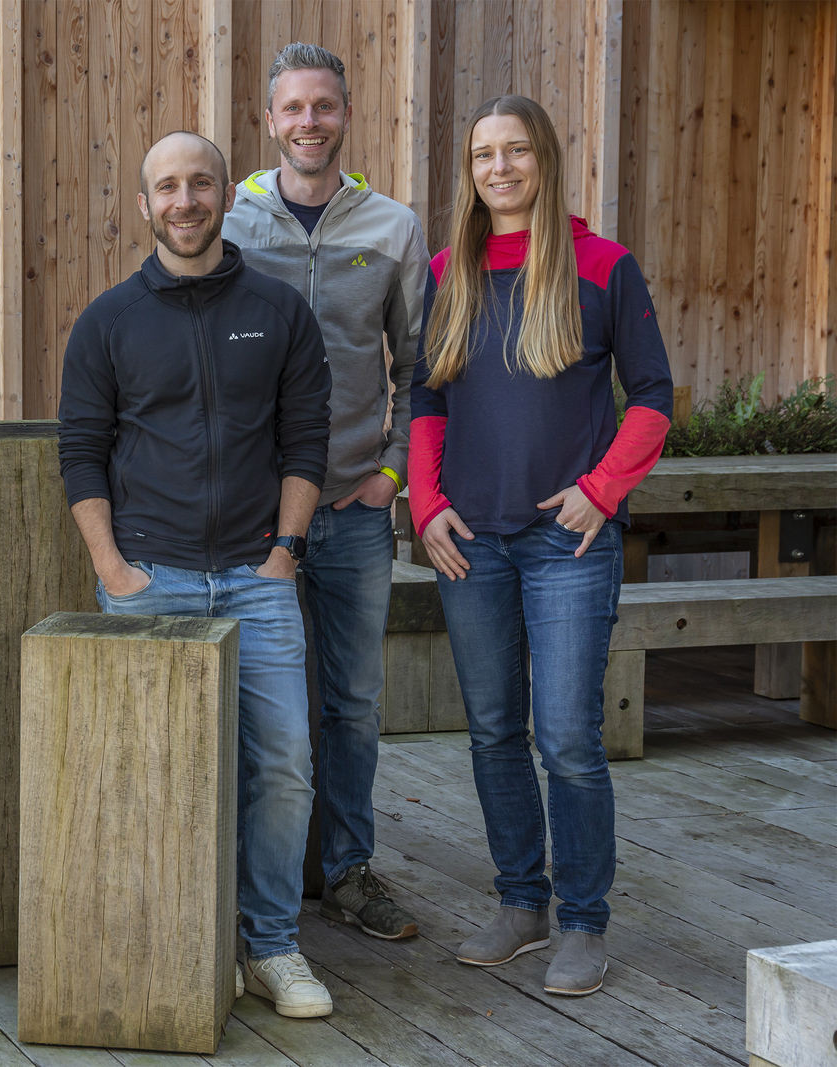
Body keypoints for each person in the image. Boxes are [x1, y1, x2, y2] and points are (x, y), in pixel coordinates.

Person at [59, 131, 335, 1019]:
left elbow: (306, 440)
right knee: (146, 773)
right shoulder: (107, 321)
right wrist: (113, 567)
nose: (184, 200)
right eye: (166, 187)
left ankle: (269, 945)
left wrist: (283, 553)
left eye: (201, 183)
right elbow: (82, 453)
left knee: (284, 763)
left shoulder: (278, 309)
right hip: (153, 580)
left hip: (259, 580)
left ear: (226, 195)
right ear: (144, 205)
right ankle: (169, 942)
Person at [409, 95, 672, 996]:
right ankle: (520, 903)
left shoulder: (603, 267)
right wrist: (427, 506)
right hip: (469, 542)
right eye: (485, 154)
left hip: (567, 542)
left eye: (516, 150)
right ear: (472, 171)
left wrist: (601, 490)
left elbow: (653, 398)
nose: (500, 168)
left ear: (545, 160)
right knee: (492, 732)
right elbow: (427, 401)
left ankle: (584, 921)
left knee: (566, 735)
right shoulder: (451, 270)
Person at [224, 42, 428, 941]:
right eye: (293, 107)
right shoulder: (229, 224)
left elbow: (421, 371)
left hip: (351, 504)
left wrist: (392, 473)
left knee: (351, 699)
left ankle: (346, 868)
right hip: (247, 513)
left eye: (325, 106)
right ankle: (240, 875)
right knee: (249, 696)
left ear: (346, 115)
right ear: (270, 121)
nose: (310, 121)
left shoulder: (391, 229)